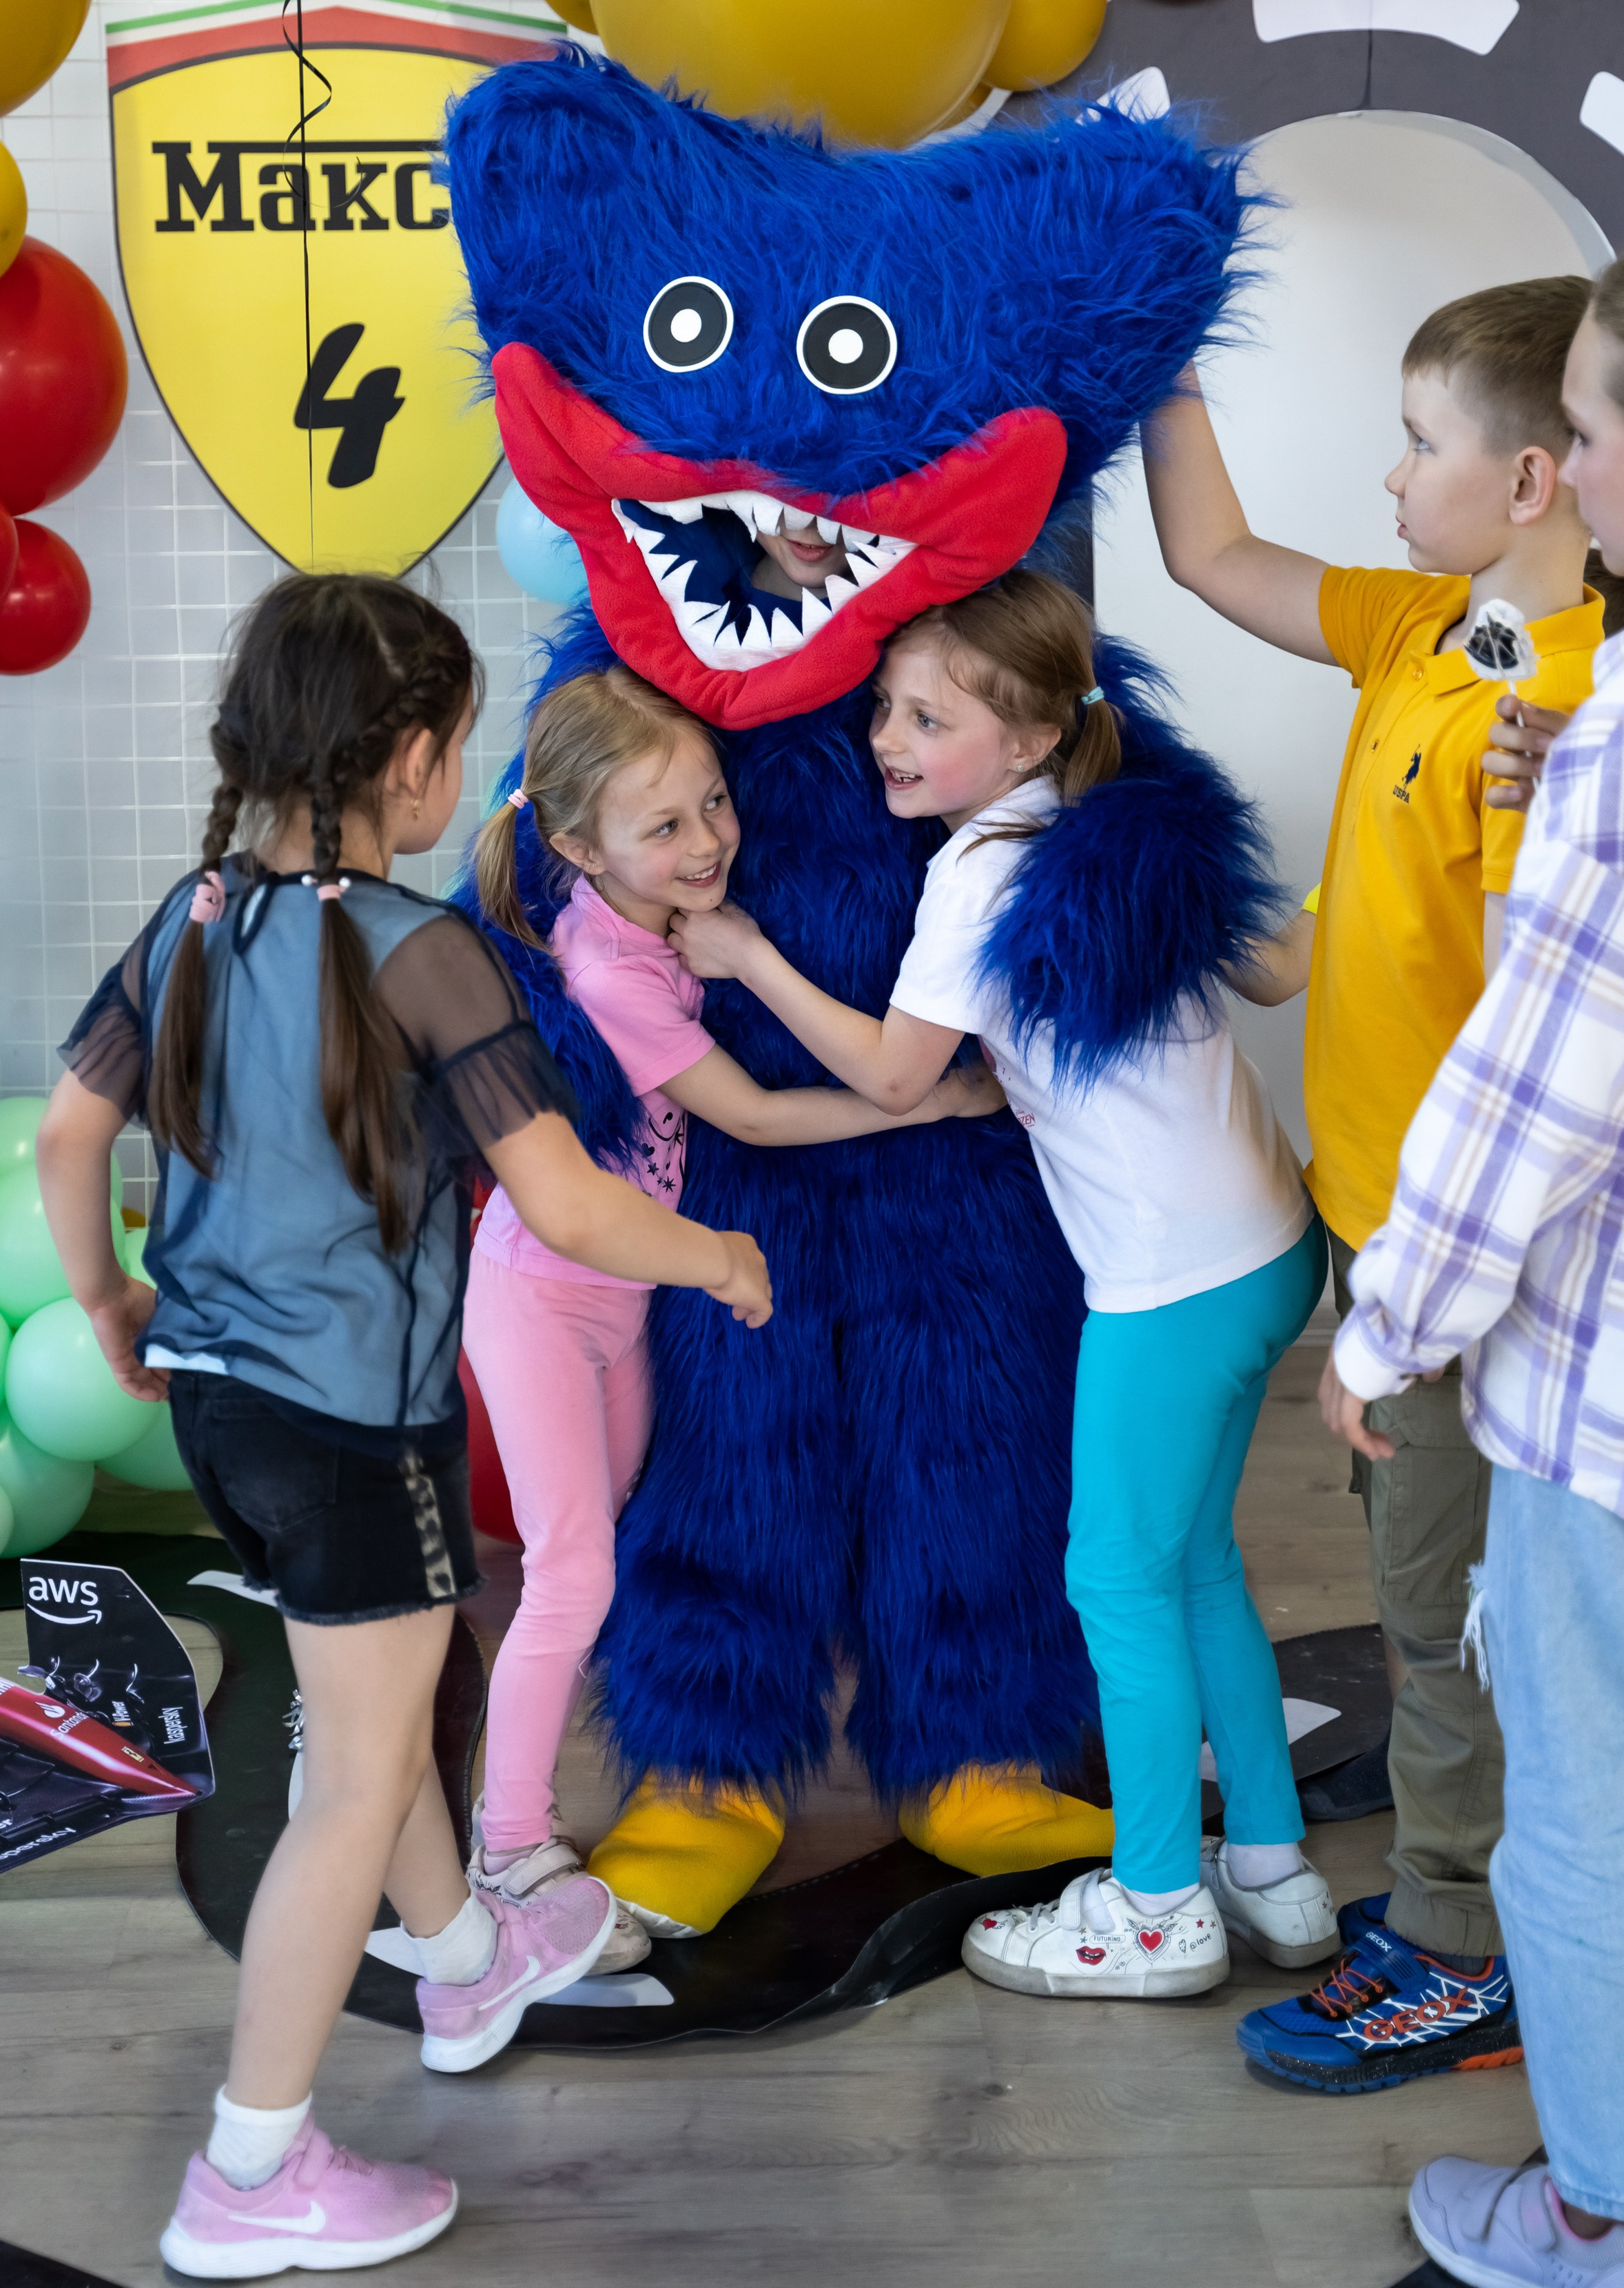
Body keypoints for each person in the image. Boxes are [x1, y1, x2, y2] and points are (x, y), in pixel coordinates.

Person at [36, 575, 772, 2281]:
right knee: (357, 1780)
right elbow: (568, 1205)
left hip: (218, 1407)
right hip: (353, 1428)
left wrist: (108, 1301)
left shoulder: (192, 918)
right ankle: (250, 2167)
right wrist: (718, 1257)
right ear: (417, 760)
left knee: (371, 1690)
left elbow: (70, 1138)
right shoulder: (417, 949)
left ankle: (462, 1953)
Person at [672, 569, 1335, 2000]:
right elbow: (1276, 970)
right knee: (1195, 1565)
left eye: (929, 720)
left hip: (1168, 1284)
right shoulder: (1110, 819)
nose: (886, 741)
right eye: (886, 709)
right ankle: (1272, 1870)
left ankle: (1156, 1905)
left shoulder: (977, 870)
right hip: (1273, 1247)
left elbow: (890, 1074)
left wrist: (744, 954)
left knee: (1113, 1579)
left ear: (1030, 738)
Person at [1142, 279, 1603, 2085]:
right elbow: (1209, 555)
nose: (1391, 476)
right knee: (1437, 1584)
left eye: (1418, 444)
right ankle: (1470, 1860)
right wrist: (1157, 354)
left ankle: (1458, 1941)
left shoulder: (1568, 713)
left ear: (1532, 481)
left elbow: (1539, 1026)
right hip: (1371, 1219)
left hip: (1468, 1252)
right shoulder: (1421, 625)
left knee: (1445, 1606)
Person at [465, 666, 996, 1940]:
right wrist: (930, 1099)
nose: (709, 840)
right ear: (579, 846)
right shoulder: (614, 969)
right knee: (570, 1573)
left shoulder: (639, 911)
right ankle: (509, 1842)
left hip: (618, 1303)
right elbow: (750, 1116)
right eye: (665, 826)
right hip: (548, 1303)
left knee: (601, 1554)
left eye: (714, 802)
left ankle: (519, 1817)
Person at [1313, 273, 1624, 2282]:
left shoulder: (1600, 730)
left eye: (1591, 430)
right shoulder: (1512, 695)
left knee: (1574, 1813)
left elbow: (1536, 1093)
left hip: (1591, 1407)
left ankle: (1590, 2206)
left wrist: (1387, 1330)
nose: (1578, 471)